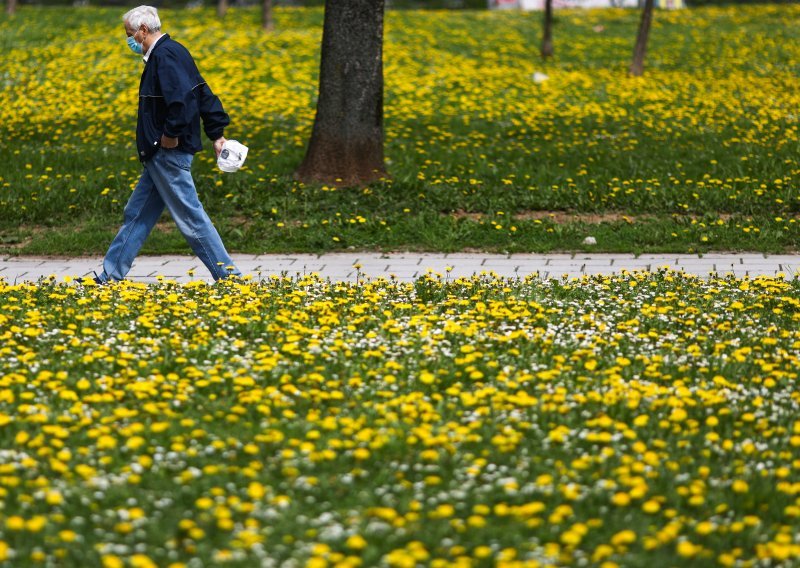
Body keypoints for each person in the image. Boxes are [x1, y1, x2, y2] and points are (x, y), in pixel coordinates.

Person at [95, 5, 241, 284]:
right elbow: (203, 93)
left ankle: (229, 276)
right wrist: (217, 134)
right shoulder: (175, 51)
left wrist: (170, 135)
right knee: (137, 214)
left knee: (191, 218)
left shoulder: (165, 56)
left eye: (129, 34)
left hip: (168, 153)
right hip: (158, 153)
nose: (128, 40)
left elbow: (183, 102)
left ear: (143, 31)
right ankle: (109, 275)